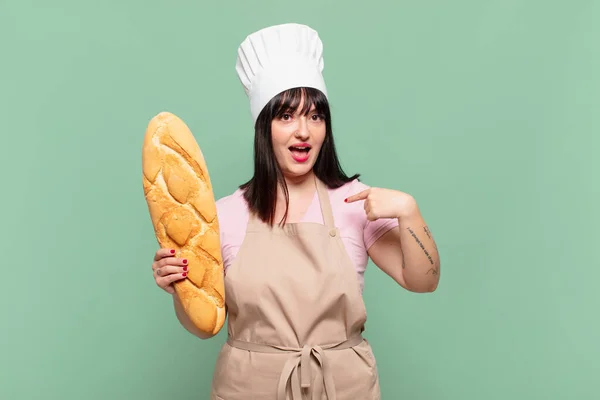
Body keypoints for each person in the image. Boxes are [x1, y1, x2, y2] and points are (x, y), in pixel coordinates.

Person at [151, 23, 441, 399]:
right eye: (286, 116)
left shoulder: (354, 202)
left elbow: (424, 280)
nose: (303, 131)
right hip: (249, 387)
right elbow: (202, 326)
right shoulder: (224, 214)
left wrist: (409, 211)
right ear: (264, 127)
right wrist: (178, 288)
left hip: (341, 387)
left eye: (315, 116)